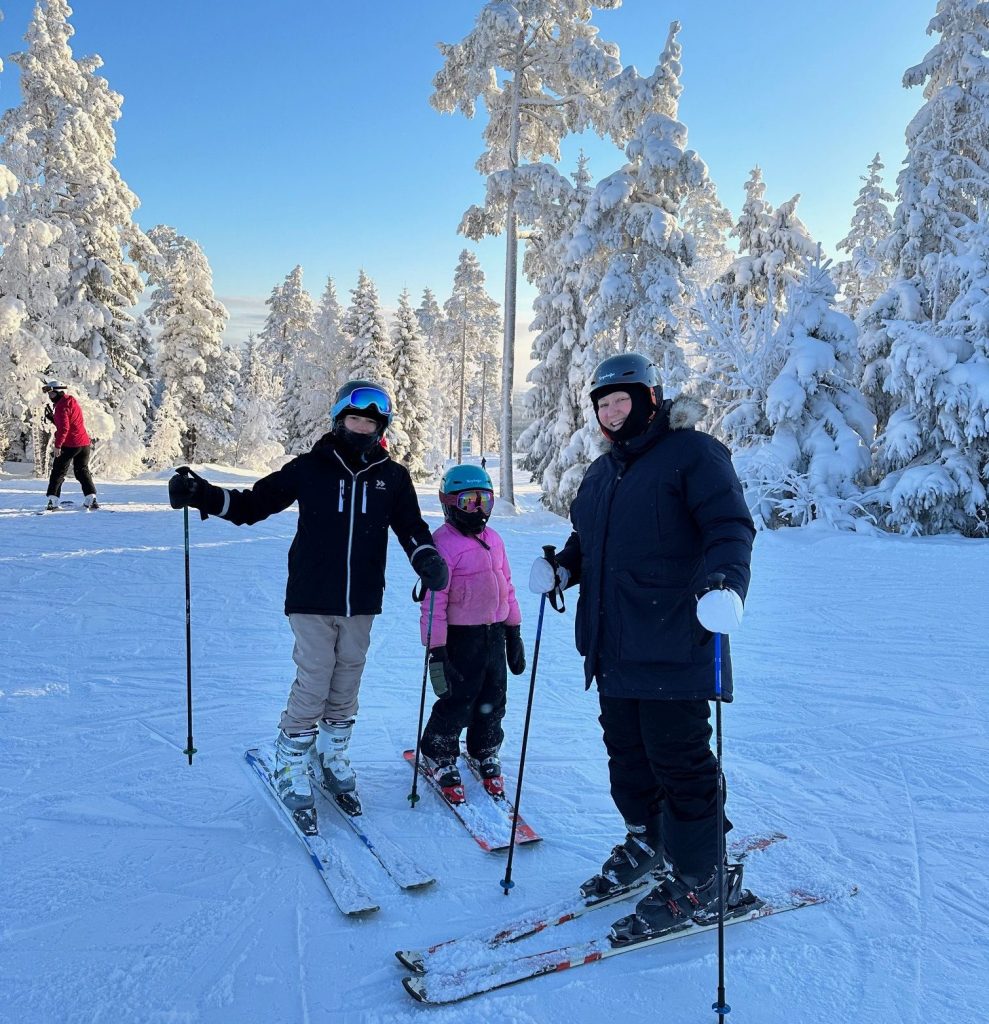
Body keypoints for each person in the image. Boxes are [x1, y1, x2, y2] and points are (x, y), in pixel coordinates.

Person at [528, 352, 755, 941]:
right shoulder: (603, 473)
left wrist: (725, 584)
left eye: (621, 400)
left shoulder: (692, 454)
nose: (611, 412)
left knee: (680, 761)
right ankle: (650, 842)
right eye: (602, 404)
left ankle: (704, 877)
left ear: (650, 399)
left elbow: (728, 526)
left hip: (674, 638)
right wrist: (564, 568)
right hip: (612, 646)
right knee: (627, 758)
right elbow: (590, 540)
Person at [168, 379, 448, 820]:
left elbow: (411, 526)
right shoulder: (310, 467)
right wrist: (203, 495)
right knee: (315, 676)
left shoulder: (392, 477)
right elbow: (251, 505)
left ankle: (331, 755)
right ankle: (290, 758)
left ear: (382, 428)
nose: (361, 427)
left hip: (361, 600)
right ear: (339, 420)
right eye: (354, 418)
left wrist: (425, 556)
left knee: (346, 681)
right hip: (312, 596)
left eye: (370, 422)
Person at [418, 464, 525, 804]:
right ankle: (439, 750)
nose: (478, 510)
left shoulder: (494, 540)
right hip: (460, 637)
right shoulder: (443, 544)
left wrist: (514, 631)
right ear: (449, 503)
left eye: (485, 501)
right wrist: (437, 650)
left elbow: (506, 587)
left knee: (494, 695)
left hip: (493, 633)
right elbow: (434, 602)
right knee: (458, 697)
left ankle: (485, 748)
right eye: (469, 502)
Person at [42, 380, 99, 511]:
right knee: (82, 471)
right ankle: (91, 498)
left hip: (70, 444)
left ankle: (53, 500)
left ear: (60, 393)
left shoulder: (61, 407)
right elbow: (70, 422)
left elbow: (64, 429)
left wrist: (58, 446)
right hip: (84, 444)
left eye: (52, 394)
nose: (50, 397)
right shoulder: (71, 402)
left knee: (58, 471)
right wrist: (53, 418)